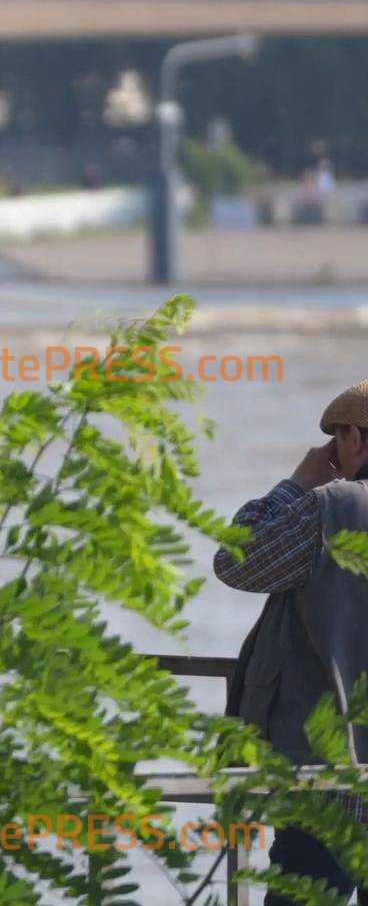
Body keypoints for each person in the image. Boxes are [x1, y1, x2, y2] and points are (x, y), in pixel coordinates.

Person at [219, 380, 368, 903]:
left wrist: (296, 484)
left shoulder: (337, 507)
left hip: (332, 783)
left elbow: (237, 562)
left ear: (354, 440)